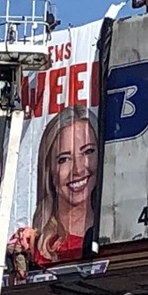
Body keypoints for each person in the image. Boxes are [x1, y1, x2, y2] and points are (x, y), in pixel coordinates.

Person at [32, 104, 99, 266]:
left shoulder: (115, 239)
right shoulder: (32, 251)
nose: (77, 169)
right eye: (64, 159)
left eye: (88, 152)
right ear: (48, 170)